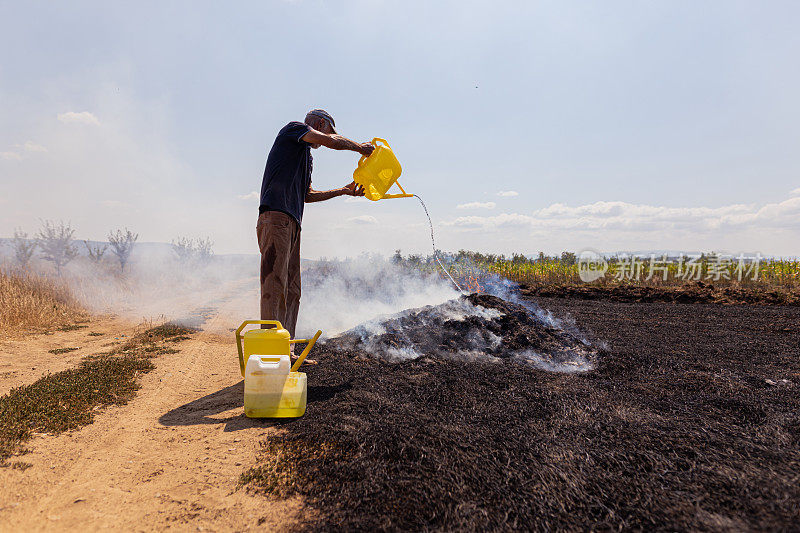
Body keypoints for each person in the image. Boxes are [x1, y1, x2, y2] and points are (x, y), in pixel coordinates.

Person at [257, 109, 374, 340]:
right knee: (275, 286)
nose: (328, 137)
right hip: (276, 217)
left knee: (293, 290)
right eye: (330, 130)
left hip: (293, 222)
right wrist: (360, 148)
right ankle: (269, 353)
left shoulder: (306, 158)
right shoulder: (294, 129)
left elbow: (308, 195)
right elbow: (329, 141)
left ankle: (285, 350)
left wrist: (343, 191)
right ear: (321, 123)